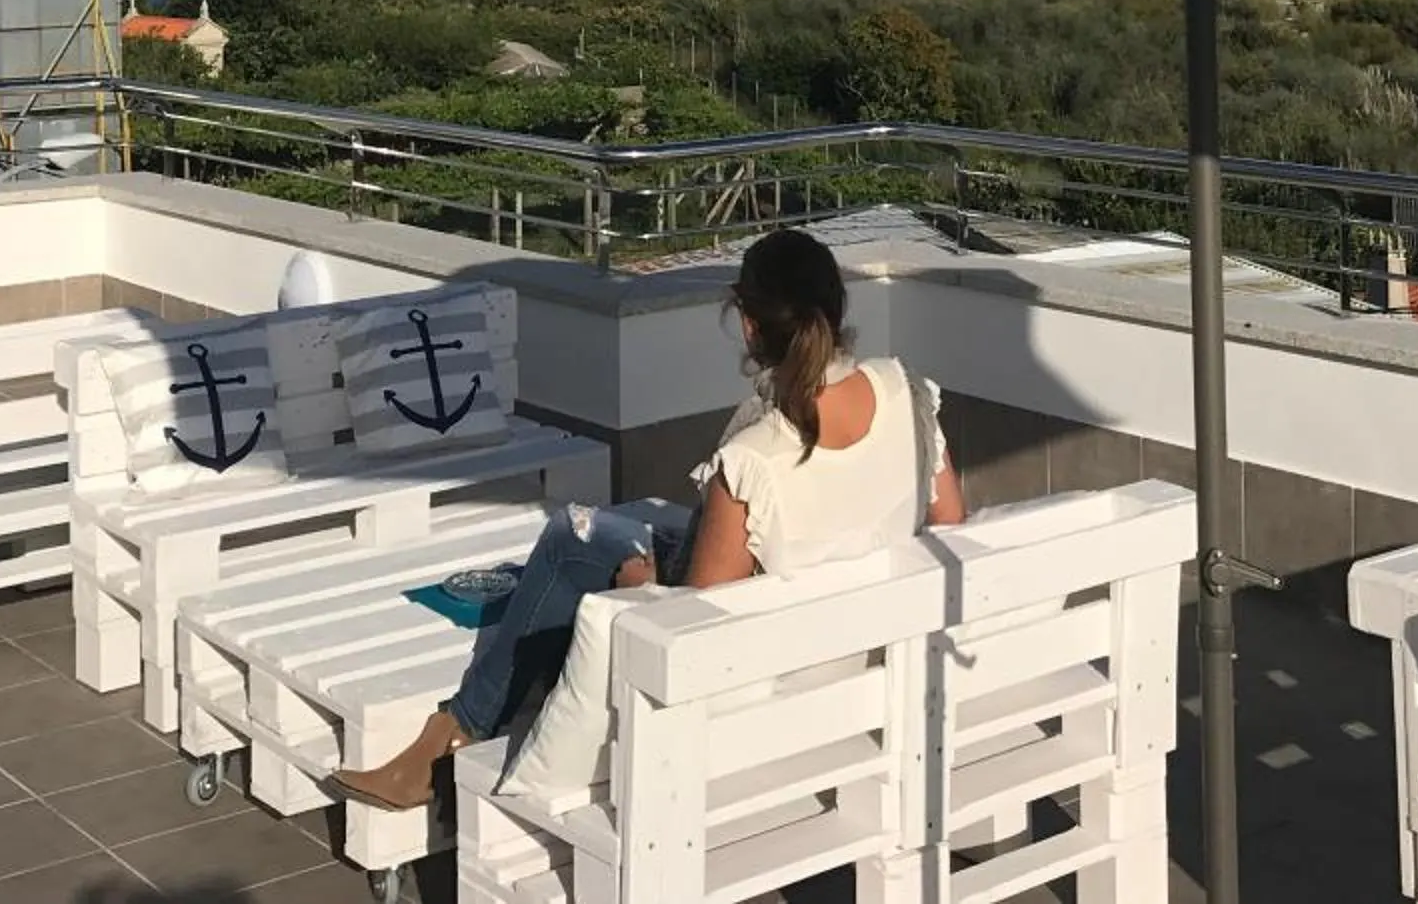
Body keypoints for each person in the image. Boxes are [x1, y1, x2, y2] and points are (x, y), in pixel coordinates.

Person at [328, 226, 966, 810]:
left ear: (748, 325)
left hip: (768, 667)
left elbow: (696, 630)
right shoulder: (906, 396)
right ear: (837, 310)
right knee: (613, 536)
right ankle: (467, 724)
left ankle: (454, 732)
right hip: (859, 642)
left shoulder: (756, 460)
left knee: (572, 536)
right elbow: (950, 523)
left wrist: (638, 587)